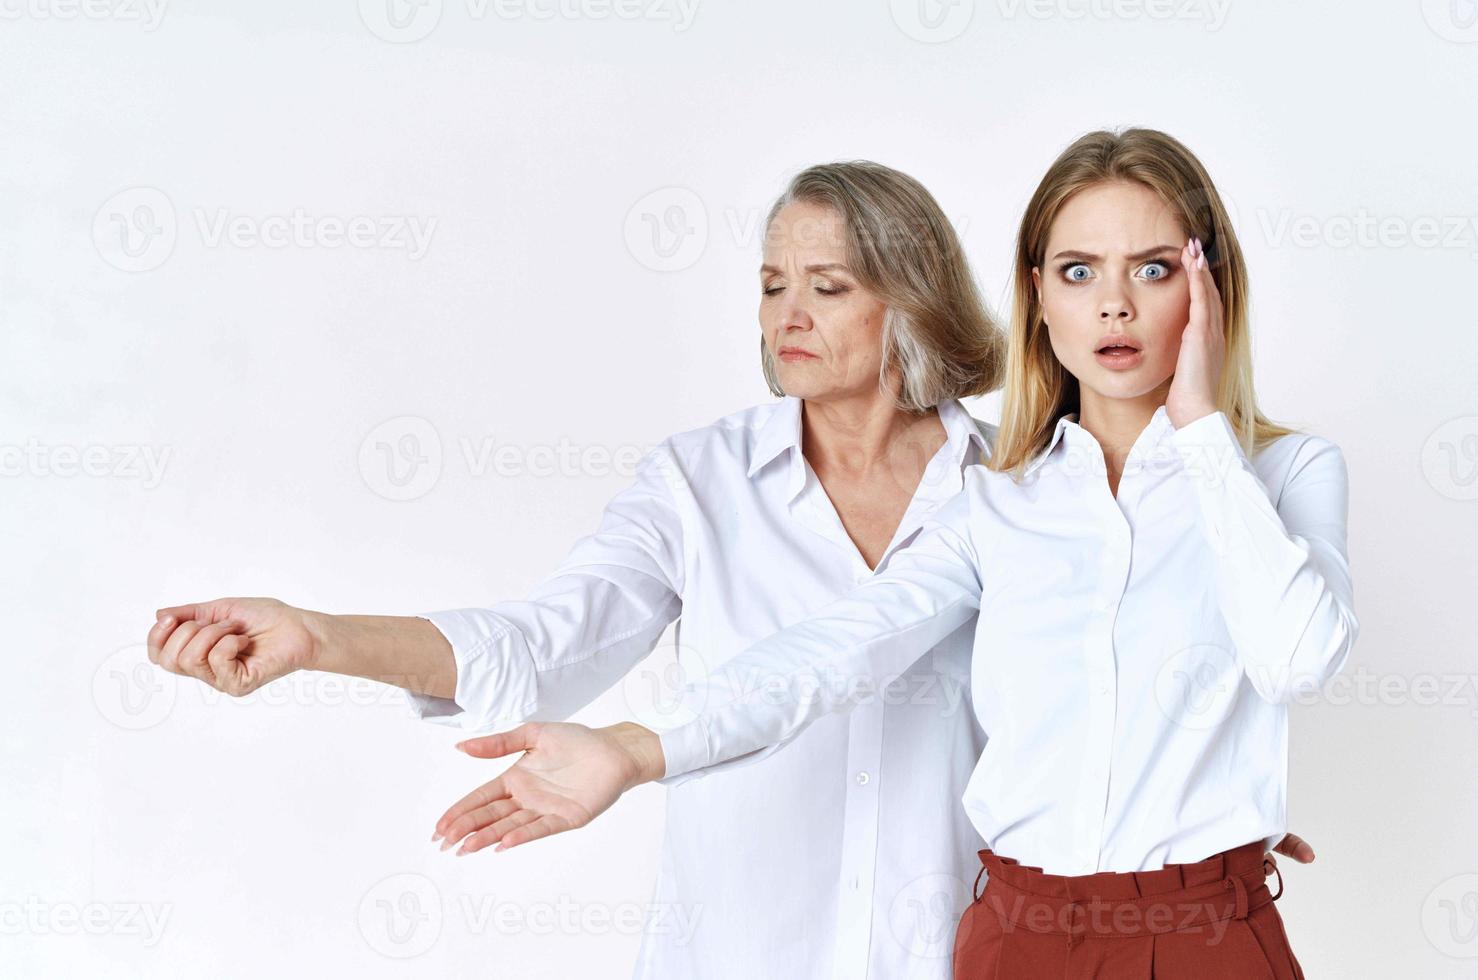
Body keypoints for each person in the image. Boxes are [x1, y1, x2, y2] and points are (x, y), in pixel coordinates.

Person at [427, 129, 1352, 979]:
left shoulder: (1281, 473)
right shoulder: (999, 501)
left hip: (1204, 934)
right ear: (1038, 294)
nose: (1112, 303)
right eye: (1078, 271)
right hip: (1014, 934)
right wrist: (635, 750)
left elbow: (1296, 657)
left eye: (1153, 269)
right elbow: (835, 650)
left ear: (1210, 288)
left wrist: (1199, 435)